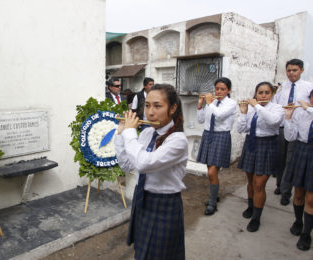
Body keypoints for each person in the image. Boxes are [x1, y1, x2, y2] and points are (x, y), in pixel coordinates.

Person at [115, 84, 187, 259]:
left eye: (157, 106)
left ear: (173, 108)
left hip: (164, 204)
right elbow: (126, 165)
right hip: (142, 199)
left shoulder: (178, 140)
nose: (150, 112)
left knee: (160, 255)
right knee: (141, 251)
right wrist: (120, 134)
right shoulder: (147, 133)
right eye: (147, 105)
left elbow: (143, 164)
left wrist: (130, 132)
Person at [237, 82, 284, 232]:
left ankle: (256, 218)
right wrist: (244, 112)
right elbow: (241, 129)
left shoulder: (277, 108)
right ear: (256, 94)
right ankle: (251, 207)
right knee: (250, 181)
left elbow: (273, 121)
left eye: (266, 93)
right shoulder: (250, 108)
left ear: (271, 94)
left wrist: (256, 106)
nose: (263, 95)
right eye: (260, 92)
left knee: (259, 184)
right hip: (251, 144)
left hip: (268, 145)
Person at [272, 59, 313, 206]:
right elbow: (276, 105)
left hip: (298, 129)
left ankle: (286, 192)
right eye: (288, 70)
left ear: (301, 70)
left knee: (290, 161)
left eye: (294, 70)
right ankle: (279, 185)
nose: (291, 73)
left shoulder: (309, 87)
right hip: (283, 127)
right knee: (280, 160)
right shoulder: (282, 87)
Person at [196, 77, 237, 215]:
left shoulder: (231, 103)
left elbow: (219, 115)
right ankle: (215, 195)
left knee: (212, 172)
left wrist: (209, 103)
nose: (219, 92)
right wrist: (200, 105)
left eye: (223, 89)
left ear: (228, 90)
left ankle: (212, 203)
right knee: (210, 171)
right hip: (208, 135)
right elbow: (200, 120)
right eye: (217, 89)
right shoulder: (211, 102)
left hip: (221, 136)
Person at [283, 90, 313, 251]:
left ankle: (306, 233)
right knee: (299, 193)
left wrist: (308, 108)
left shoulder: (308, 110)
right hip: (301, 151)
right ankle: (298, 221)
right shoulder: (301, 114)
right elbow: (290, 136)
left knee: (311, 198)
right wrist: (288, 117)